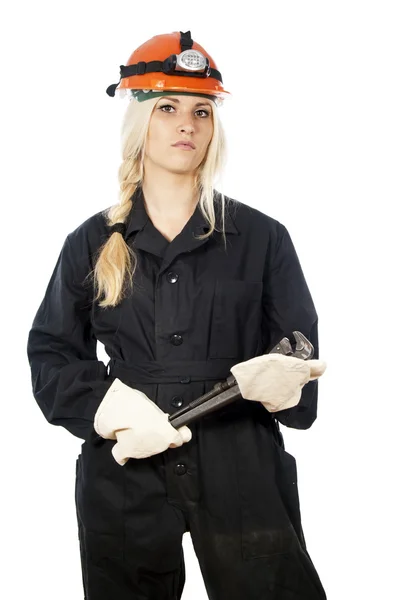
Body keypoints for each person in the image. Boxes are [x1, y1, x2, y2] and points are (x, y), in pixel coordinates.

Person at [26, 30, 328, 600]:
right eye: (167, 107)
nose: (186, 123)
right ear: (140, 121)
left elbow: (300, 348)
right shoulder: (90, 242)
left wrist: (285, 378)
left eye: (201, 110)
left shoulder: (262, 238)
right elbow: (50, 356)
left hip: (241, 459)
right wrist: (111, 410)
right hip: (126, 466)